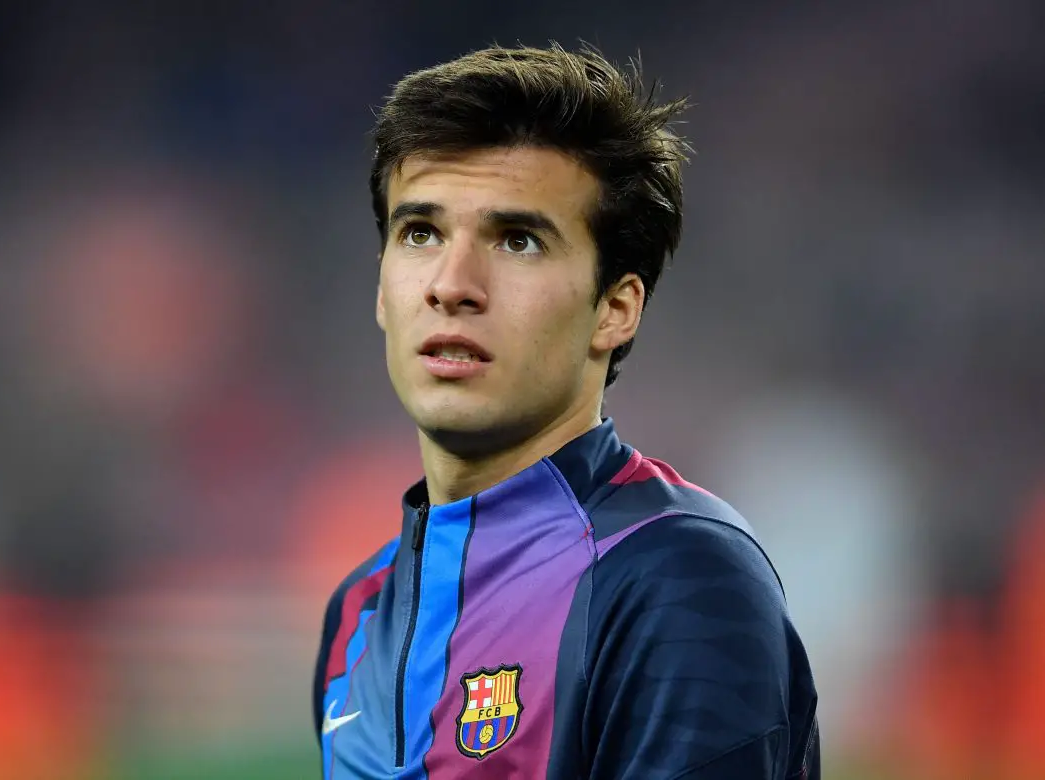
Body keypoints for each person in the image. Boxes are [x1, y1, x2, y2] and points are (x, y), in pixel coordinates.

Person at [312, 42, 820, 779]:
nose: (451, 284)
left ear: (615, 309)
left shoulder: (675, 577)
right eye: (420, 233)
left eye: (518, 241)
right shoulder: (359, 614)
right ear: (382, 289)